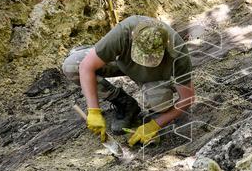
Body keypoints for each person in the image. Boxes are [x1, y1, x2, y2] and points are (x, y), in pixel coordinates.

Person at [62, 16, 195, 146]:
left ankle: (156, 115)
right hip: (121, 64)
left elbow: (187, 98)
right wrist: (93, 110)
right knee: (72, 66)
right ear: (132, 38)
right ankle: (125, 104)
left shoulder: (177, 53)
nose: (143, 62)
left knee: (159, 102)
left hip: (154, 78)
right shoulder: (124, 31)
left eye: (150, 58)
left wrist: (155, 125)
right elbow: (86, 67)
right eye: (141, 55)